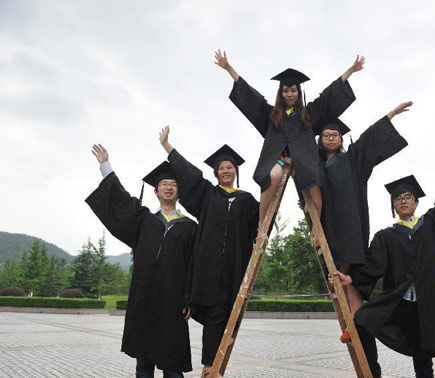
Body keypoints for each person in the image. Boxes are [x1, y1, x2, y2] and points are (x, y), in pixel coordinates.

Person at [332, 147, 435, 378]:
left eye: (407, 197)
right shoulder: (385, 236)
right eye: (398, 199)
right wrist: (350, 279)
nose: (403, 201)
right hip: (397, 303)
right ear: (393, 207)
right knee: (363, 321)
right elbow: (372, 265)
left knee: (422, 357)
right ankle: (373, 374)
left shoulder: (431, 226)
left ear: (416, 202)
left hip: (424, 305)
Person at [214, 49, 364, 227]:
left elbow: (328, 96)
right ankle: (262, 222)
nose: (290, 94)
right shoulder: (272, 115)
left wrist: (350, 71)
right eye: (286, 91)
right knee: (273, 176)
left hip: (305, 158)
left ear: (299, 93)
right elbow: (251, 96)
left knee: (314, 183)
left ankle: (318, 226)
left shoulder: (307, 114)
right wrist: (229, 68)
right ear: (281, 93)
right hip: (280, 158)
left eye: (293, 90)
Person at [86, 144, 195, 378]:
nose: (168, 186)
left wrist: (189, 298)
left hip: (173, 302)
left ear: (179, 191)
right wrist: (105, 165)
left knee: (173, 366)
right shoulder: (144, 220)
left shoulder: (190, 227)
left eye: (173, 184)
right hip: (144, 298)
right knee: (143, 366)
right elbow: (122, 201)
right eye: (164, 184)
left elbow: (194, 266)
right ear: (156, 191)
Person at [158, 127, 259, 377]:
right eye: (221, 168)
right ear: (216, 172)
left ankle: (218, 367)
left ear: (235, 171)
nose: (225, 171)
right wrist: (168, 147)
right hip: (208, 271)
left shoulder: (246, 200)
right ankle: (209, 368)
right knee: (213, 318)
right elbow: (189, 175)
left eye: (230, 167)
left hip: (234, 269)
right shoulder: (207, 194)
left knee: (230, 318)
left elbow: (263, 220)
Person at [316, 101, 413, 343]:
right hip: (328, 227)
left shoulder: (352, 160)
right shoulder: (317, 167)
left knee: (344, 276)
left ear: (341, 139)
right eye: (326, 135)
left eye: (335, 135)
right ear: (320, 139)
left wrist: (390, 115)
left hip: (350, 226)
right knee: (343, 281)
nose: (330, 138)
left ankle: (355, 325)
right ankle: (356, 324)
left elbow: (370, 138)